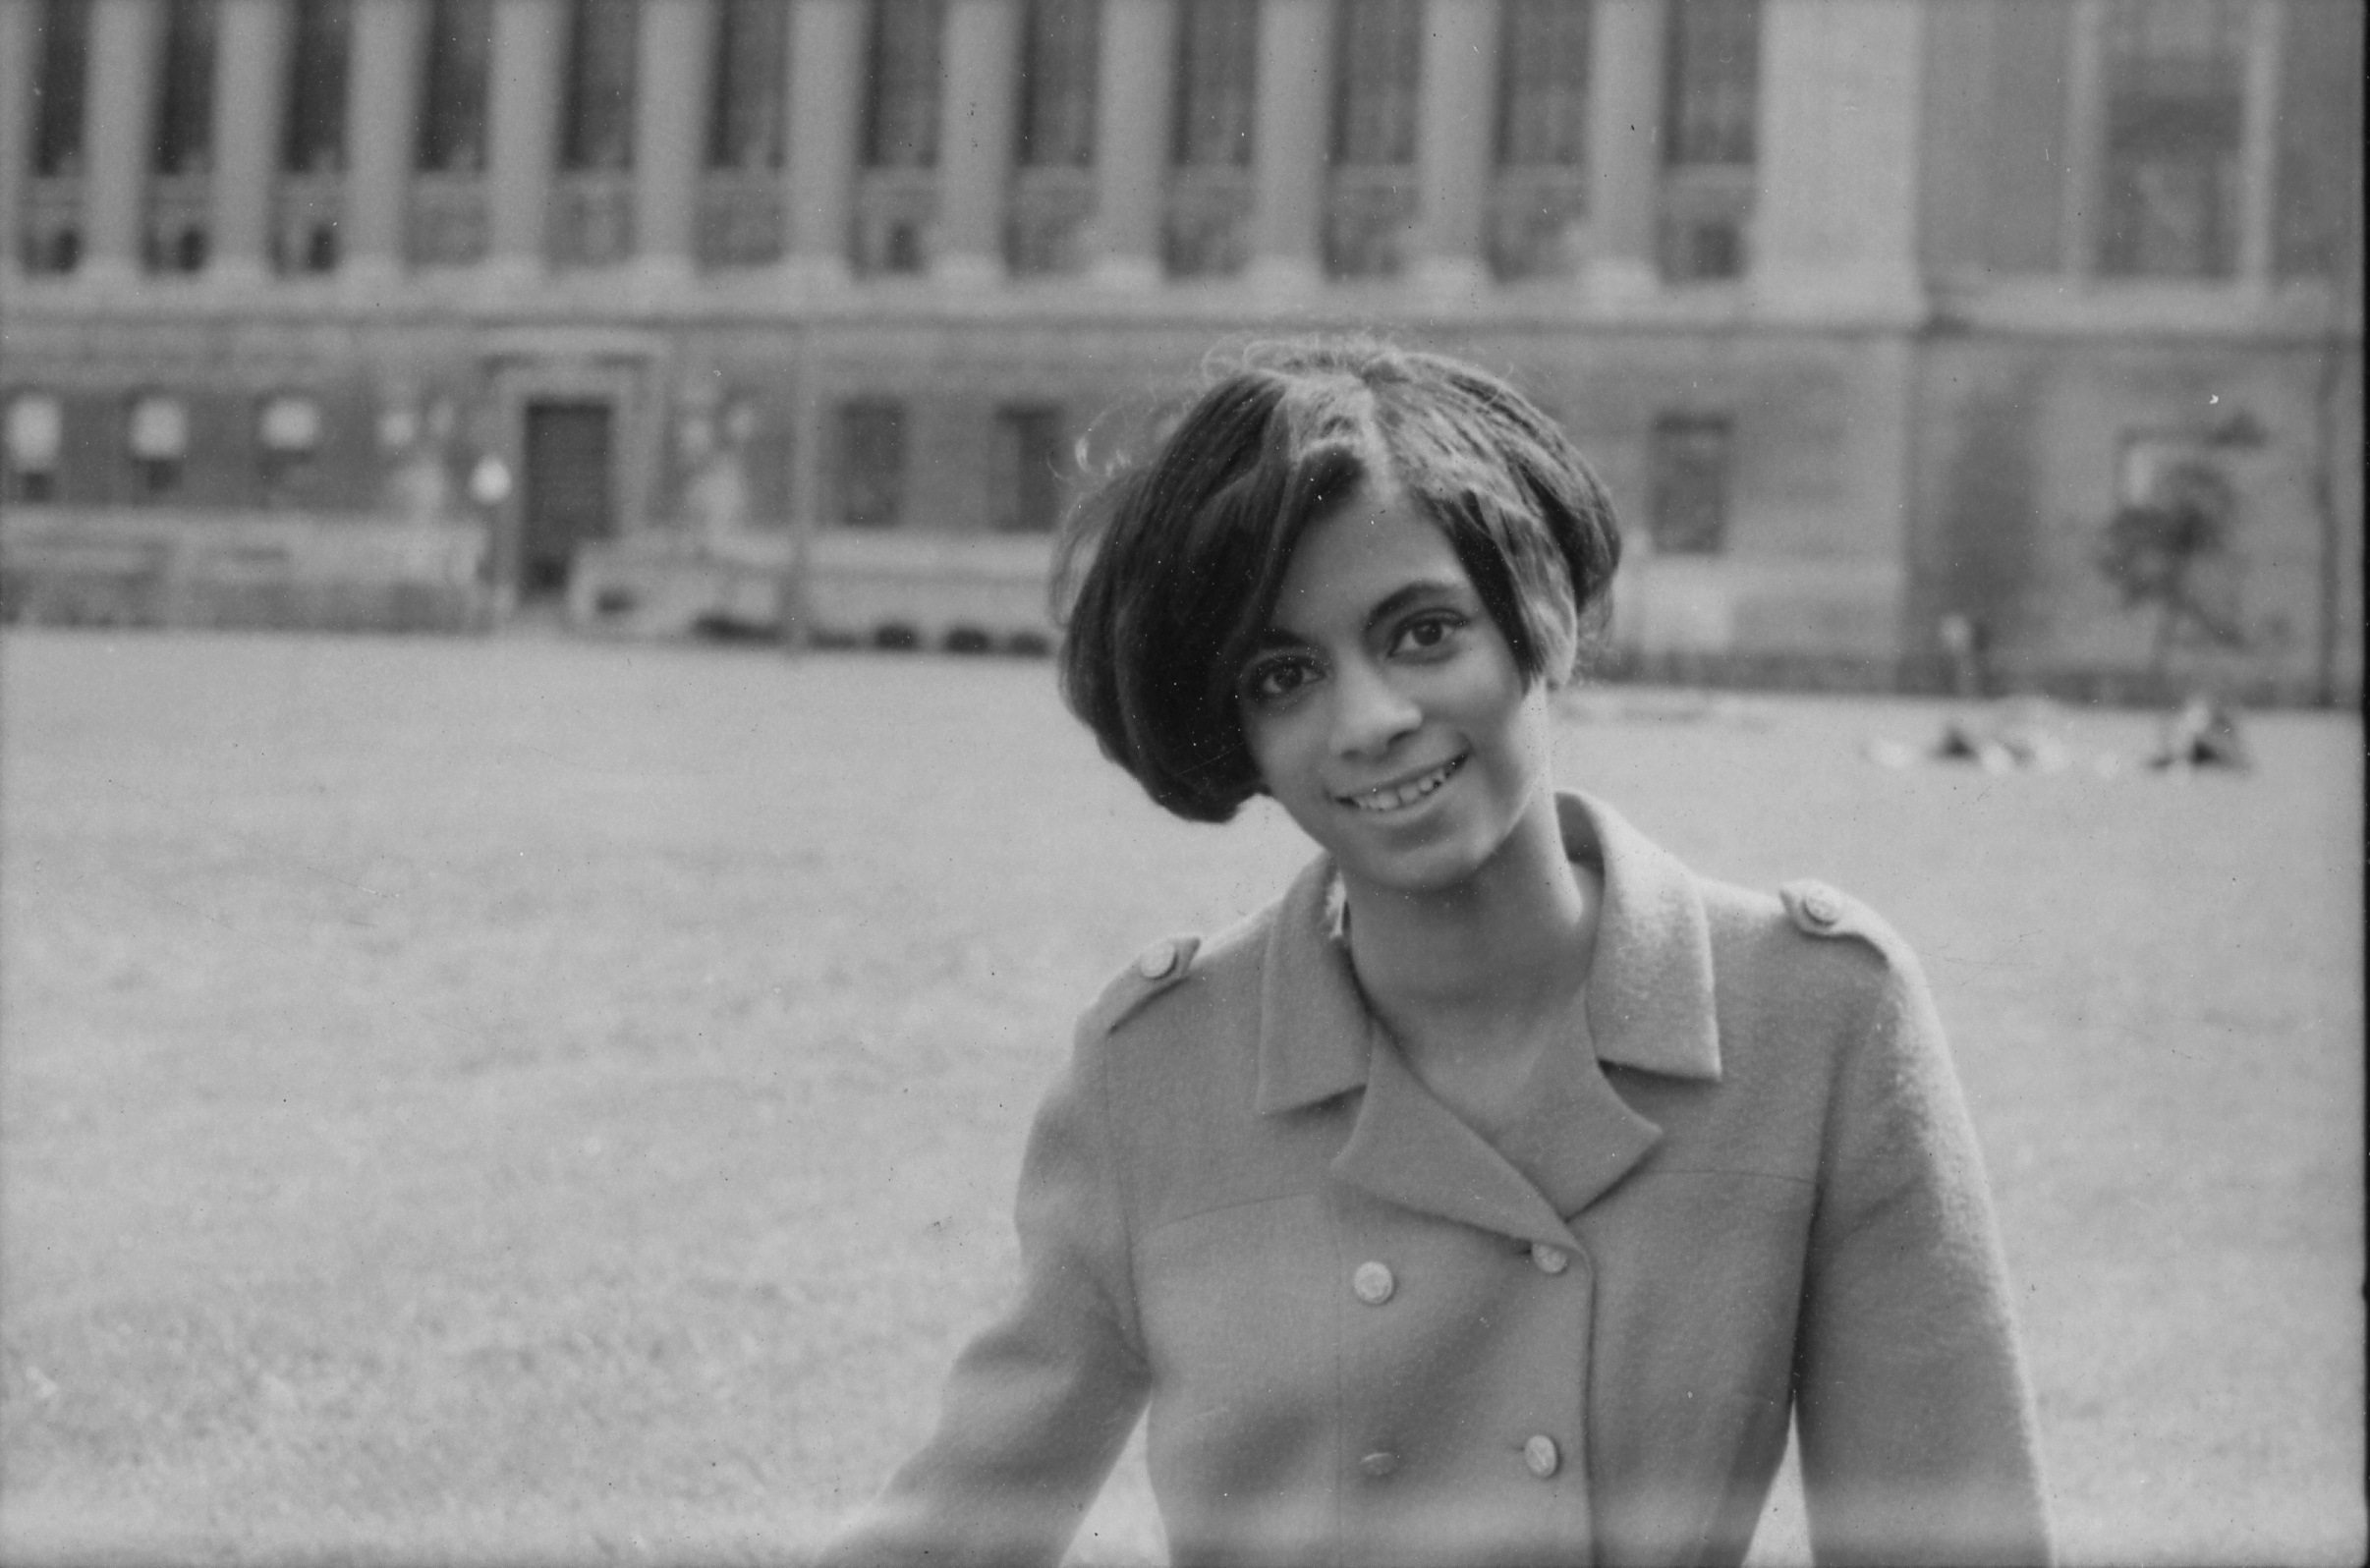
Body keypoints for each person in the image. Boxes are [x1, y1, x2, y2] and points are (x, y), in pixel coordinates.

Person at [825, 340, 2053, 1567]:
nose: (1369, 721)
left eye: (1422, 633)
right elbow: (956, 1529)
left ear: (1545, 620)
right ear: (1236, 729)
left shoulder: (1812, 1020)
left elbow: (1950, 1541)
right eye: (1284, 673)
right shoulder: (1160, 1072)